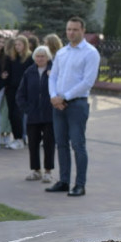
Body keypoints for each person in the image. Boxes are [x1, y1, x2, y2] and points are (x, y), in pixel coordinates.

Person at [46, 17, 100, 197]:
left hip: (76, 104)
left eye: (75, 29)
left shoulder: (90, 53)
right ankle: (63, 181)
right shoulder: (62, 52)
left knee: (78, 144)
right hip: (58, 105)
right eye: (69, 29)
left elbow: (87, 81)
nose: (71, 33)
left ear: (83, 31)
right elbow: (53, 76)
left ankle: (80, 184)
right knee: (61, 144)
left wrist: (64, 97)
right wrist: (54, 96)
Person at [16, 45, 55, 183]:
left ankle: (48, 171)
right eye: (38, 56)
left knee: (49, 144)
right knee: (33, 143)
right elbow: (20, 94)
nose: (40, 58)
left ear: (48, 57)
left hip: (49, 115)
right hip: (33, 115)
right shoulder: (29, 72)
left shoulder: (54, 70)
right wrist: (27, 109)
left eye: (43, 56)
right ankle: (36, 170)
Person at [4, 35, 31, 150]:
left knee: (17, 114)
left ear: (25, 45)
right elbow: (7, 72)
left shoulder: (30, 59)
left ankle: (20, 138)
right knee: (11, 114)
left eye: (19, 44)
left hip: (23, 90)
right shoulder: (11, 58)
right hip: (11, 89)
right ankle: (16, 138)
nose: (17, 47)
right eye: (15, 45)